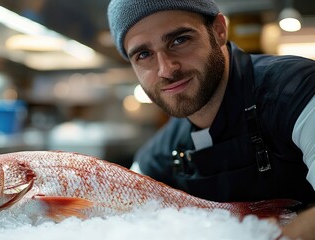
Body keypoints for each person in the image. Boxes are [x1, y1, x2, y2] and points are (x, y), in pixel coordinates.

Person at [107, 0, 315, 239]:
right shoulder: (158, 155)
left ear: (218, 31)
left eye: (179, 40)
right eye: (144, 54)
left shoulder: (297, 91)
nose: (166, 69)